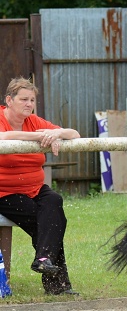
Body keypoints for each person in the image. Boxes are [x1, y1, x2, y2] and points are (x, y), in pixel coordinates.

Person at [0, 77, 80, 295]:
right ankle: (58, 286)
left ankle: (43, 261)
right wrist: (40, 137)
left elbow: (74, 134)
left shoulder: (35, 121)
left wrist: (55, 133)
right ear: (9, 100)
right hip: (4, 192)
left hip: (34, 188)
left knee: (54, 201)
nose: (29, 104)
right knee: (49, 223)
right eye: (24, 99)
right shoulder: (1, 118)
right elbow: (4, 137)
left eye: (32, 100)